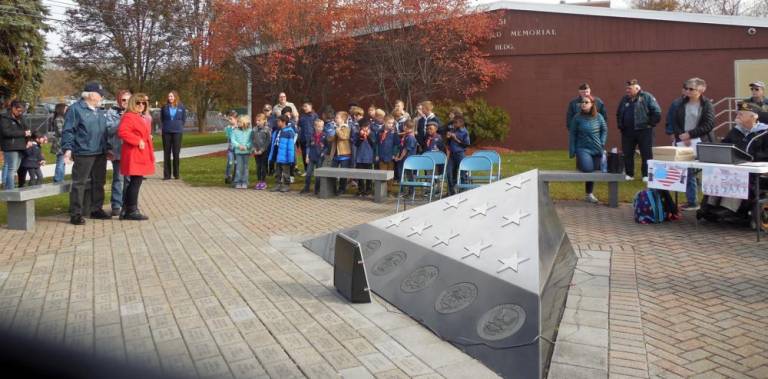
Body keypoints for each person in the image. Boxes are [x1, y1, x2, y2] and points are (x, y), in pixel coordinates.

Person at [62, 82, 112, 225]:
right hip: (84, 152)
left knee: (99, 182)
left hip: (100, 152)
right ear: (91, 95)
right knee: (79, 183)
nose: (102, 97)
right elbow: (68, 130)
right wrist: (68, 149)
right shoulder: (75, 109)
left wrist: (107, 148)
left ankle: (96, 209)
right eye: (100, 94)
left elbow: (103, 132)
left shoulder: (99, 110)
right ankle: (75, 214)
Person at [667, 78, 715, 210]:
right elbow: (674, 121)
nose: (687, 91)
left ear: (701, 90)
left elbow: (709, 124)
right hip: (683, 142)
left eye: (691, 89)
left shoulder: (706, 105)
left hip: (702, 142)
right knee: (688, 172)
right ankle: (692, 201)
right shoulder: (680, 103)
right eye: (686, 88)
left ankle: (709, 204)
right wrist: (682, 135)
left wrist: (691, 134)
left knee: (707, 174)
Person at [117, 93, 155, 221]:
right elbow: (122, 132)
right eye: (138, 103)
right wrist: (137, 140)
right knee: (135, 181)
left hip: (139, 152)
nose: (141, 105)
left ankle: (127, 209)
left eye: (143, 103)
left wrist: (145, 138)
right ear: (133, 103)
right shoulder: (129, 116)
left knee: (135, 181)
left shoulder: (138, 116)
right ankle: (131, 210)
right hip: (134, 152)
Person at [616, 79, 661, 182]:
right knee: (627, 153)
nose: (627, 91)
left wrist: (650, 124)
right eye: (626, 88)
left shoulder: (647, 97)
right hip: (627, 131)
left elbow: (657, 112)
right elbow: (619, 113)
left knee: (646, 153)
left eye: (629, 88)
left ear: (637, 88)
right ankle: (629, 174)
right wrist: (620, 125)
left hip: (644, 131)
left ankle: (646, 175)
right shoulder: (625, 99)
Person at [569, 96, 608, 203]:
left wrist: (602, 142)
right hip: (583, 148)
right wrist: (572, 151)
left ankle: (588, 194)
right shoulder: (577, 117)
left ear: (592, 104)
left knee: (596, 170)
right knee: (588, 168)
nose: (583, 104)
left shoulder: (599, 117)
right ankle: (581, 162)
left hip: (596, 149)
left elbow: (604, 130)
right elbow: (572, 134)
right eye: (582, 102)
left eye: (586, 102)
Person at [106, 90, 131, 216]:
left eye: (128, 100)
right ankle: (116, 205)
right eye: (123, 100)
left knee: (129, 180)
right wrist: (121, 120)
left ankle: (128, 204)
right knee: (118, 179)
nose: (126, 102)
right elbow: (109, 130)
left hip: (131, 152)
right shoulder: (112, 112)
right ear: (119, 100)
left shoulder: (135, 112)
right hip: (118, 150)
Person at [1, 100, 30, 189]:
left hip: (21, 146)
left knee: (15, 169)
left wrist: (29, 138)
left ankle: (10, 187)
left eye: (22, 111)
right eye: (19, 110)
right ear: (13, 108)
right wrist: (23, 133)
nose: (20, 112)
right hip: (10, 147)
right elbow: (6, 133)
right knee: (11, 169)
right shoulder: (4, 118)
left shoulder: (21, 118)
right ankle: (10, 190)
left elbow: (26, 129)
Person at [160, 90, 186, 180]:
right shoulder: (164, 107)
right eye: (169, 96)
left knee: (176, 153)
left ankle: (176, 174)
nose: (170, 98)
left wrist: (179, 126)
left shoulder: (181, 107)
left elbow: (183, 119)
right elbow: (162, 119)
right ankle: (167, 175)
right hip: (166, 132)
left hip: (177, 132)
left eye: (171, 96)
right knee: (166, 153)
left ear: (175, 97)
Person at [445, 116, 470, 196]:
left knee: (462, 173)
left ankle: (463, 191)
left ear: (461, 123)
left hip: (460, 154)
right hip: (452, 155)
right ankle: (451, 192)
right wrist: (448, 138)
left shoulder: (465, 132)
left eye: (455, 123)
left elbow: (466, 145)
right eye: (453, 123)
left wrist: (456, 139)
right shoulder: (453, 130)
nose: (454, 124)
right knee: (449, 172)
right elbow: (448, 143)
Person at [329, 111, 353, 195]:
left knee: (343, 173)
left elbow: (344, 137)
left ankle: (342, 188)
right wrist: (331, 132)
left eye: (337, 118)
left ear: (343, 119)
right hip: (335, 153)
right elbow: (330, 139)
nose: (335, 119)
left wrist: (337, 130)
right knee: (333, 172)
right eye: (335, 118)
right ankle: (332, 188)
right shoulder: (335, 127)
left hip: (344, 154)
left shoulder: (346, 128)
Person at [271, 115, 295, 192]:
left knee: (285, 172)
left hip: (285, 157)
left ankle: (286, 185)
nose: (277, 122)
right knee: (277, 171)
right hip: (278, 155)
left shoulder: (289, 132)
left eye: (279, 121)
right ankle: (277, 184)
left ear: (284, 122)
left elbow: (291, 147)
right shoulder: (278, 131)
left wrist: (291, 158)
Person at [301, 118, 326, 195]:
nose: (320, 128)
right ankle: (306, 187)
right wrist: (307, 156)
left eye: (321, 127)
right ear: (315, 127)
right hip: (311, 157)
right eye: (318, 126)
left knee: (318, 175)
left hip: (319, 157)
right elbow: (308, 146)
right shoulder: (311, 135)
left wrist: (323, 152)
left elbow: (327, 147)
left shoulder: (324, 136)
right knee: (308, 173)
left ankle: (317, 189)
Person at [393, 121, 419, 193]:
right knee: (401, 174)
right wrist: (397, 156)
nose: (404, 128)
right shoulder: (405, 136)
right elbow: (401, 147)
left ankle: (411, 191)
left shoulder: (411, 138)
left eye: (407, 127)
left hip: (408, 159)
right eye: (405, 126)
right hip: (402, 159)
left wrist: (400, 158)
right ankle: (401, 190)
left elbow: (406, 149)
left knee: (409, 175)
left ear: (412, 129)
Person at [355, 118, 377, 196]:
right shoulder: (358, 133)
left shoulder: (372, 133)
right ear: (360, 127)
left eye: (367, 126)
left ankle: (368, 189)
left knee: (369, 175)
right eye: (363, 127)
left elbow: (373, 144)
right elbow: (356, 144)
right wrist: (361, 137)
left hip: (369, 157)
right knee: (360, 174)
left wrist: (368, 136)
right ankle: (361, 189)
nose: (365, 128)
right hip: (360, 157)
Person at [231, 115, 253, 189]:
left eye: (240, 122)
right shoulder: (235, 131)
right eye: (238, 122)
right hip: (238, 152)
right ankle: (237, 181)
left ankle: (245, 182)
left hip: (246, 152)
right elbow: (233, 140)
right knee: (238, 168)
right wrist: (238, 146)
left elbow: (251, 141)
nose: (238, 123)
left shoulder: (250, 131)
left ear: (244, 123)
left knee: (245, 168)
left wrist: (246, 146)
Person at [48, 103, 68, 183]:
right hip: (60, 143)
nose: (67, 110)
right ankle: (57, 178)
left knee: (63, 162)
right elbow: (60, 132)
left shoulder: (64, 118)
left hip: (64, 141)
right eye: (66, 109)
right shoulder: (58, 119)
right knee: (60, 160)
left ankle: (61, 178)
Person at [298, 102, 319, 175]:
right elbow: (299, 127)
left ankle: (316, 170)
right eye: (303, 107)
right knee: (304, 154)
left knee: (314, 154)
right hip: (303, 139)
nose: (304, 108)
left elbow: (318, 126)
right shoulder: (302, 117)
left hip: (312, 138)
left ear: (310, 106)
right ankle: (307, 170)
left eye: (306, 106)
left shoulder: (315, 116)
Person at [252, 113, 271, 190]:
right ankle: (259, 181)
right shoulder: (254, 129)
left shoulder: (267, 130)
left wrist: (262, 150)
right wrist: (254, 149)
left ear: (264, 121)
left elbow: (268, 141)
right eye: (256, 120)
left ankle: (263, 181)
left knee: (263, 166)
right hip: (256, 151)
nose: (257, 122)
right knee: (258, 166)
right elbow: (252, 140)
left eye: (259, 120)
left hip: (264, 151)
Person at [223, 110, 238, 184]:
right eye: (229, 119)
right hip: (230, 149)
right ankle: (227, 175)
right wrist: (231, 128)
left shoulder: (239, 127)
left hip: (237, 149)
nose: (230, 120)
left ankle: (235, 177)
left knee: (236, 163)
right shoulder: (228, 128)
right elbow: (229, 136)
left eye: (231, 119)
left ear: (236, 119)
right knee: (230, 162)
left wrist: (236, 127)